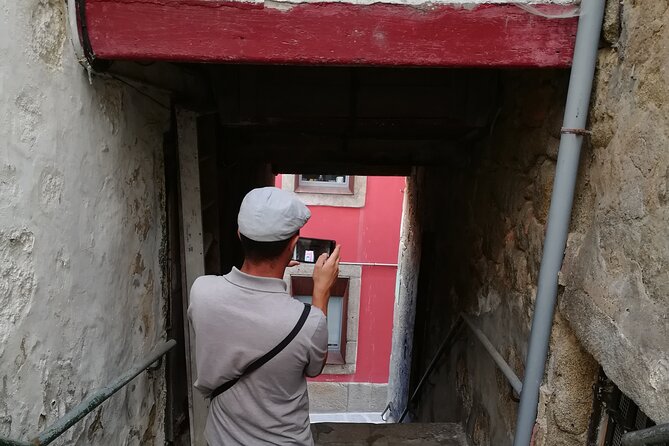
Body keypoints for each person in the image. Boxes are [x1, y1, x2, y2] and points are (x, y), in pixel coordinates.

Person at [188, 186, 341, 446]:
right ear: (293, 244)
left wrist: (273, 265)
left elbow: (237, 307)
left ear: (239, 235)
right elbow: (315, 367)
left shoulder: (201, 291)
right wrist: (321, 293)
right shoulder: (308, 321)